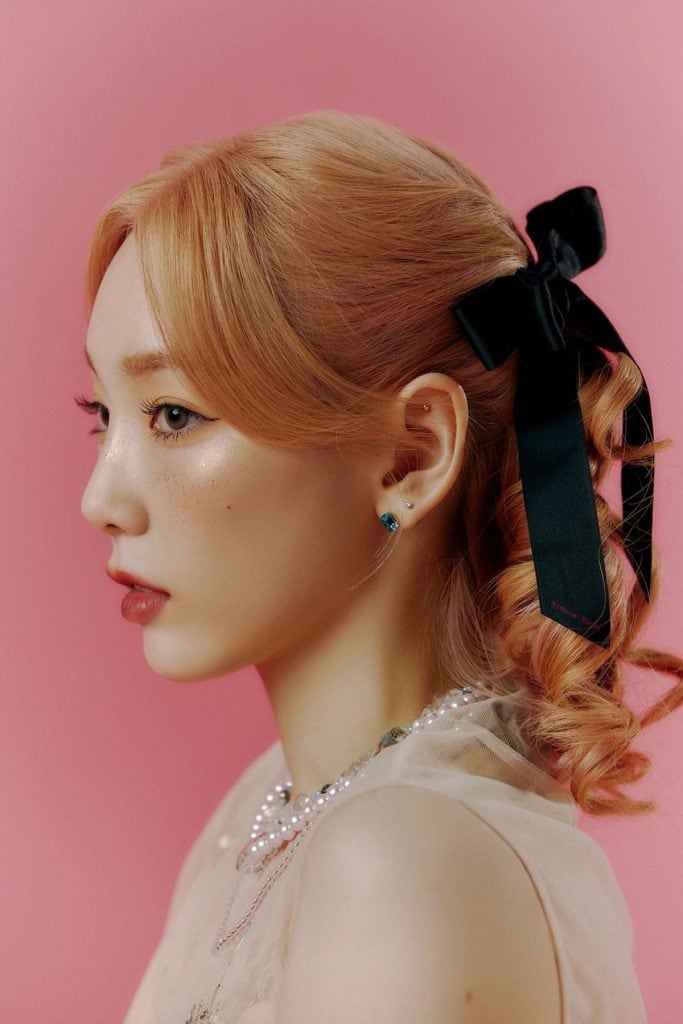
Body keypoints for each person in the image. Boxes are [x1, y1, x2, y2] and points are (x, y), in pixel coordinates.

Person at [76, 109, 683, 1024]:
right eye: (102, 416)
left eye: (172, 415)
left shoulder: (398, 860)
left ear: (411, 455)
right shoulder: (268, 814)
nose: (100, 500)